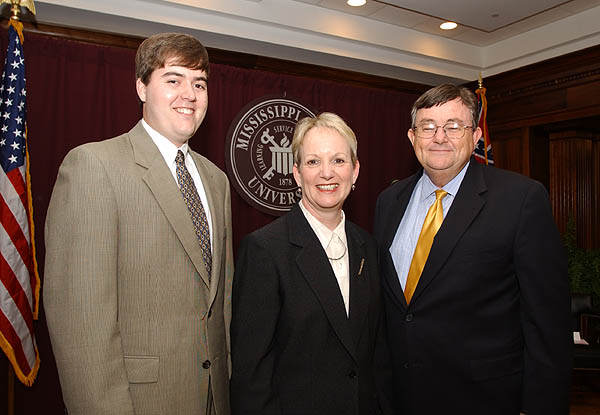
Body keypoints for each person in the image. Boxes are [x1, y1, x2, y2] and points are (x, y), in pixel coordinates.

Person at [43, 33, 233, 415]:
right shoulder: (93, 166)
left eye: (199, 83)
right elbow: (80, 324)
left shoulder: (217, 181)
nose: (189, 94)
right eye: (173, 79)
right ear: (141, 88)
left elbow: (220, 301)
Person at [373, 84, 572, 414]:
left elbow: (547, 322)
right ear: (412, 137)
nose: (440, 137)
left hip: (485, 398)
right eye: (428, 127)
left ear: (476, 135)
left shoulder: (520, 199)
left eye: (453, 126)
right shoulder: (388, 202)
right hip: (400, 396)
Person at [230, 112, 391, 415]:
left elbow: (377, 354)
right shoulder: (265, 249)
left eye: (339, 161)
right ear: (296, 173)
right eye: (313, 162)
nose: (326, 173)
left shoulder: (368, 246)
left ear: (355, 171)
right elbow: (250, 375)